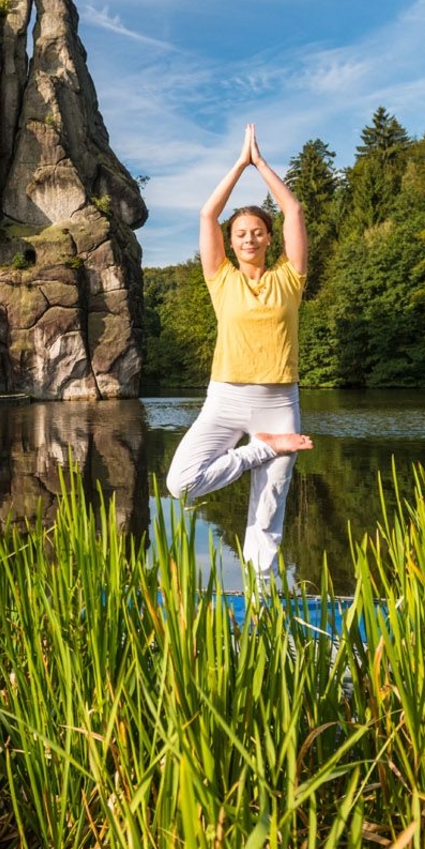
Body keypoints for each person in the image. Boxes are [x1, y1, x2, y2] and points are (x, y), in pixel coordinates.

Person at [165, 123, 312, 577]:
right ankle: (260, 450)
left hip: (278, 401)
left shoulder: (289, 278)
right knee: (180, 483)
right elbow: (208, 214)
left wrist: (260, 164)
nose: (249, 238)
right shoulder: (221, 278)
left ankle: (261, 597)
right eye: (241, 233)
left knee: (268, 515)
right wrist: (239, 163)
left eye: (257, 232)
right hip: (226, 398)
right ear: (230, 243)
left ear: (269, 238)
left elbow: (293, 210)